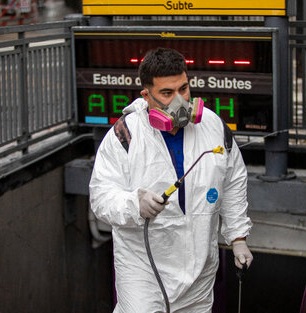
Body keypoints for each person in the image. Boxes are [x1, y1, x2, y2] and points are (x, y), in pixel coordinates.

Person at [89, 47, 253, 313]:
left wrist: (238, 238)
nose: (180, 101)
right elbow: (100, 196)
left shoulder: (212, 126)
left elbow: (233, 181)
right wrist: (134, 204)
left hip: (199, 267)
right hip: (143, 270)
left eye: (184, 89)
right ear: (146, 95)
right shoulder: (124, 135)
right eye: (167, 93)